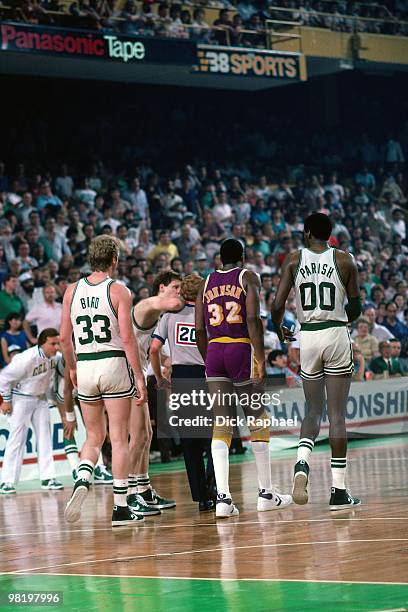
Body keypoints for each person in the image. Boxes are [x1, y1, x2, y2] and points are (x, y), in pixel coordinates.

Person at [195, 238, 292, 518]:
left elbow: (199, 328)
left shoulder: (205, 282)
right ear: (243, 256)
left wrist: (208, 356)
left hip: (214, 349)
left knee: (221, 423)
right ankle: (266, 493)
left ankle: (223, 499)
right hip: (239, 346)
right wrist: (259, 358)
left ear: (219, 259)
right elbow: (252, 319)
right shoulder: (247, 277)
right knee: (256, 415)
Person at [272, 213, 362, 510]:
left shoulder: (293, 260)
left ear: (307, 232)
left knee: (313, 409)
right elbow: (357, 305)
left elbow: (276, 305)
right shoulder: (346, 260)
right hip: (335, 333)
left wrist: (280, 329)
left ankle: (301, 462)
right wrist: (339, 322)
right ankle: (338, 491)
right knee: (337, 415)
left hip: (307, 336)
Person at [61, 235, 147, 527]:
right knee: (119, 437)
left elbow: (63, 338)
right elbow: (127, 338)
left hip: (84, 365)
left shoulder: (71, 291)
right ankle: (121, 507)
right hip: (112, 362)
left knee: (94, 436)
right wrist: (138, 376)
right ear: (114, 260)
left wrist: (72, 369)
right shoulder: (119, 291)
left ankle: (84, 476)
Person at [150, 274, 216, 512]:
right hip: (207, 376)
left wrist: (159, 377)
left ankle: (201, 497)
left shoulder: (168, 317)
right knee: (215, 438)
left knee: (190, 442)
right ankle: (215, 489)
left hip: (181, 378)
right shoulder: (209, 315)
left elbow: (154, 348)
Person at [127, 270, 182, 517]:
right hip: (125, 374)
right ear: (161, 287)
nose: (178, 292)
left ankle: (144, 488)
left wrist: (161, 372)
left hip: (136, 373)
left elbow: (153, 350)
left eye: (181, 287)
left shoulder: (156, 315)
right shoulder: (146, 306)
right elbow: (171, 303)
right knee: (137, 437)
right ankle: (129, 494)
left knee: (147, 434)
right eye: (175, 286)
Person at [0, 329, 63, 494]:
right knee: (16, 439)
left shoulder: (55, 358)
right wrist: (6, 401)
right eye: (53, 344)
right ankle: (7, 481)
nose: (56, 347)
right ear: (42, 343)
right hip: (21, 399)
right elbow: (4, 378)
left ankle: (48, 478)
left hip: (41, 399)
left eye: (58, 343)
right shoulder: (25, 358)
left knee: (45, 438)